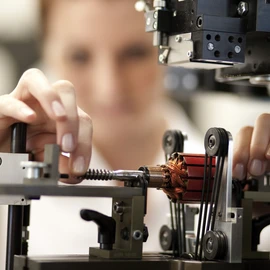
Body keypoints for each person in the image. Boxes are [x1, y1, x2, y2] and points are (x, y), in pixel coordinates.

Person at [0, 0, 269, 263]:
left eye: (134, 53)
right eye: (80, 56)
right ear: (45, 50)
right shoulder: (12, 162)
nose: (110, 88)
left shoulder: (236, 179)